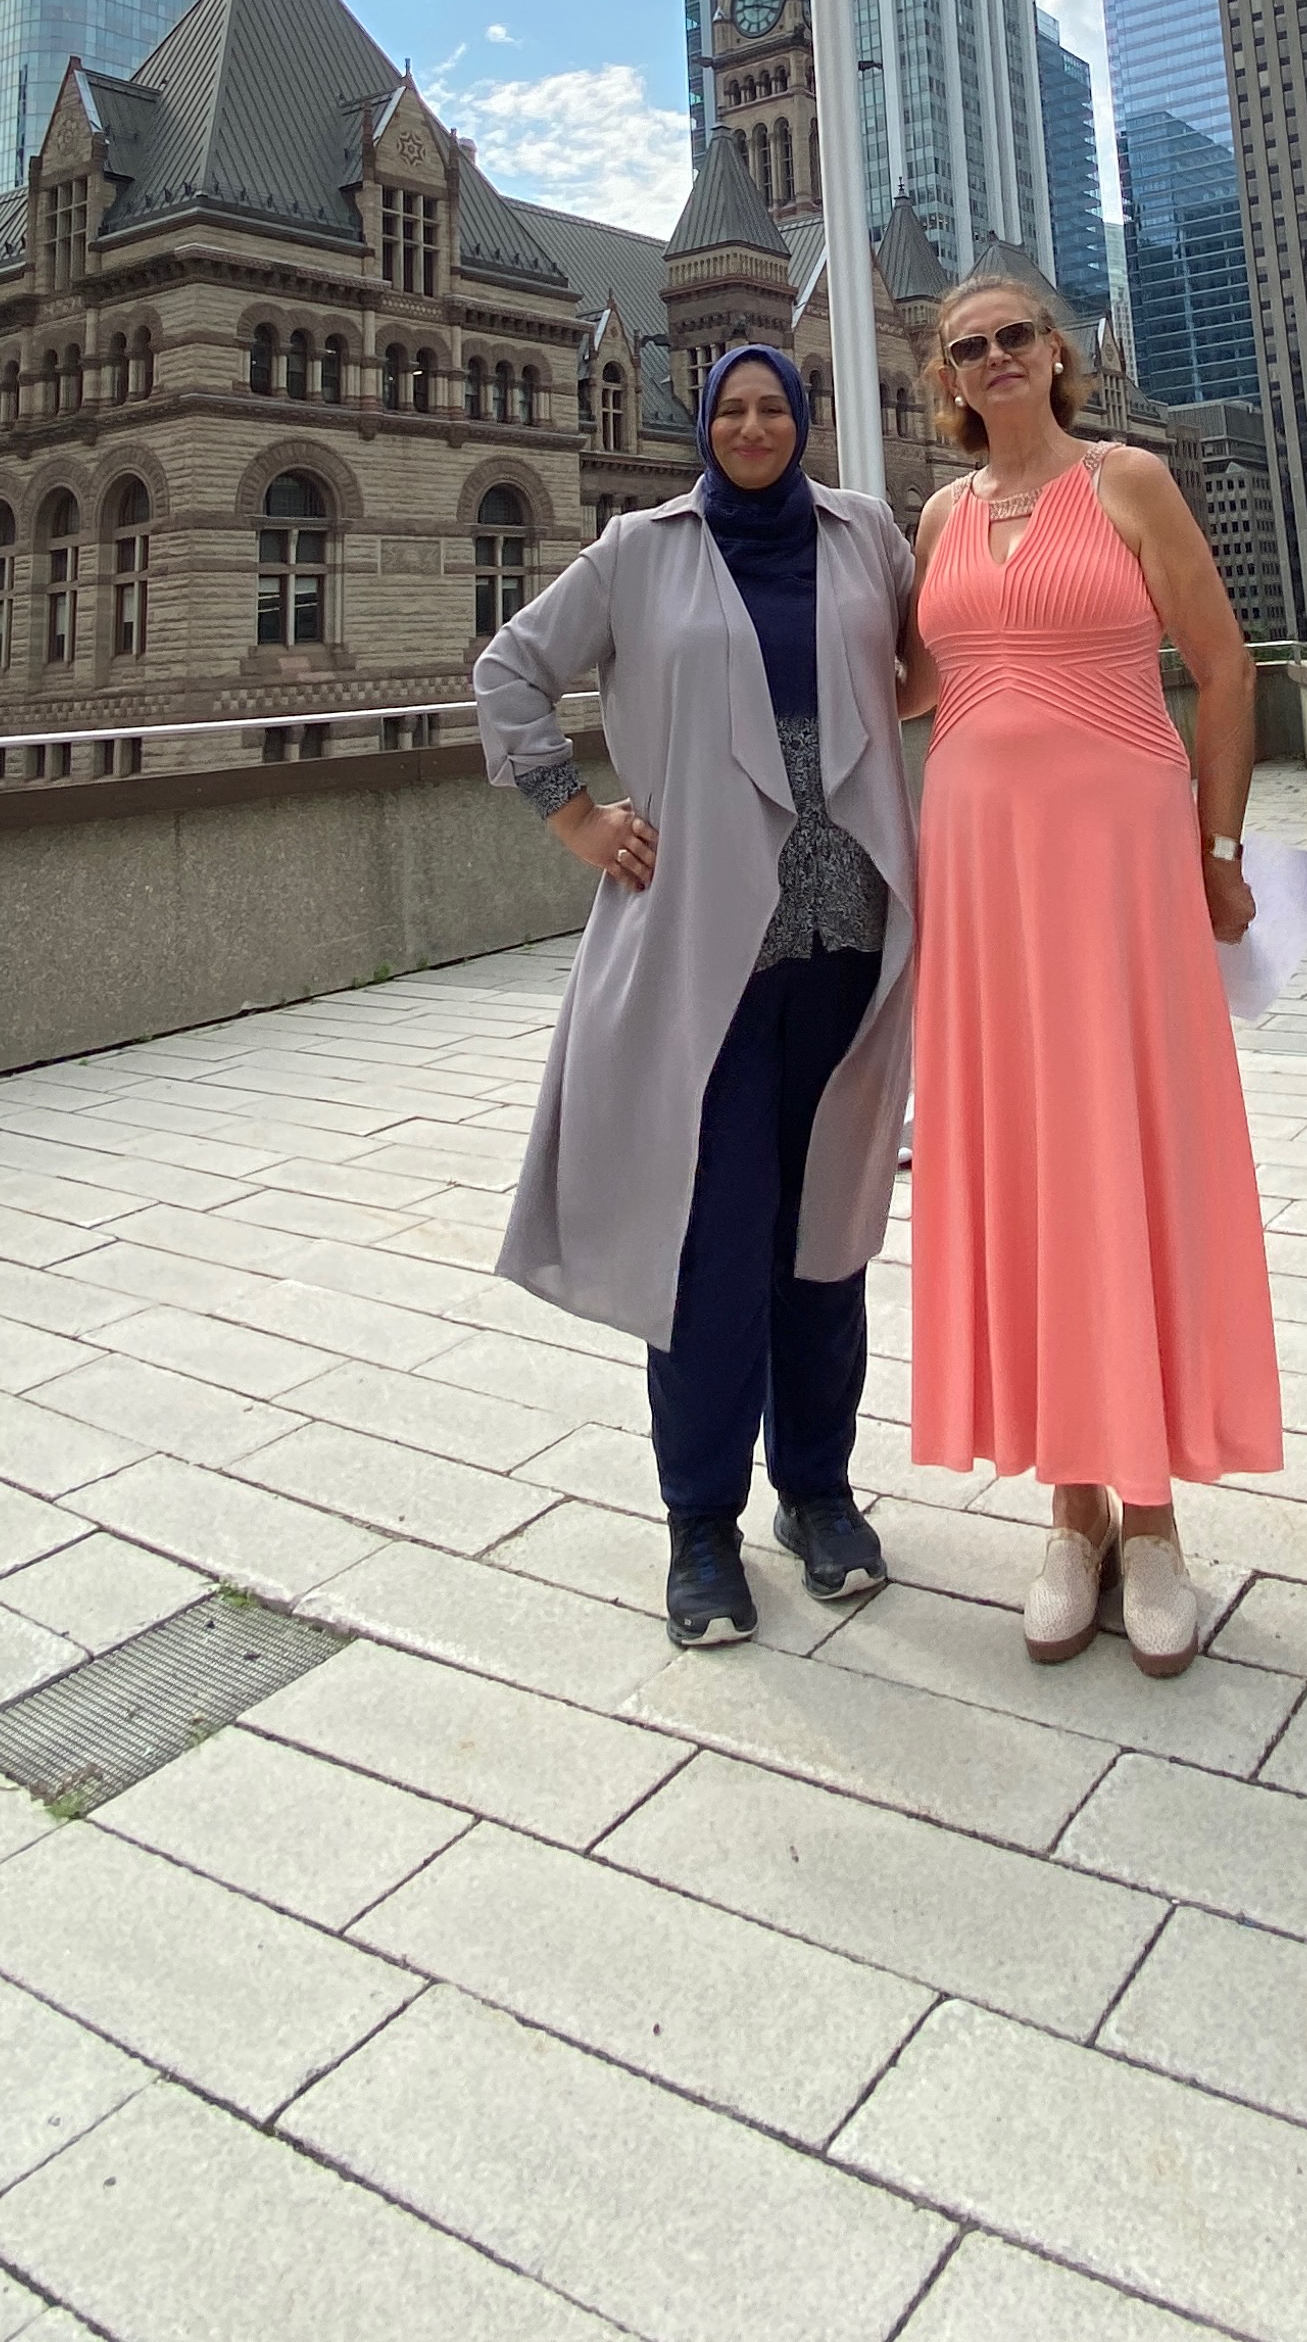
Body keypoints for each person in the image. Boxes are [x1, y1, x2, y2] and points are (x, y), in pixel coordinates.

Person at [475, 345, 917, 1653]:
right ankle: (700, 1527)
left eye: (776, 406)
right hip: (705, 950)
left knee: (825, 1241)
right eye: (730, 408)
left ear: (804, 420)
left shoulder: (866, 534)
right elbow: (510, 668)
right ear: (704, 427)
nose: (755, 425)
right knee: (712, 1247)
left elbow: (936, 658)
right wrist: (575, 816)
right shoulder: (639, 549)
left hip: (846, 935)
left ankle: (820, 1494)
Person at [908, 275, 1281, 1678]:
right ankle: (1069, 1513)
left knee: (1127, 1158)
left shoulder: (1127, 480)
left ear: (1057, 354)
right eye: (967, 346)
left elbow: (1228, 665)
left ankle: (1154, 1518)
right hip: (982, 874)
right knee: (1025, 1168)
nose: (995, 358)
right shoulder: (939, 516)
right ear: (943, 376)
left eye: (1015, 337)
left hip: (1120, 862)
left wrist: (1221, 844)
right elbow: (901, 679)